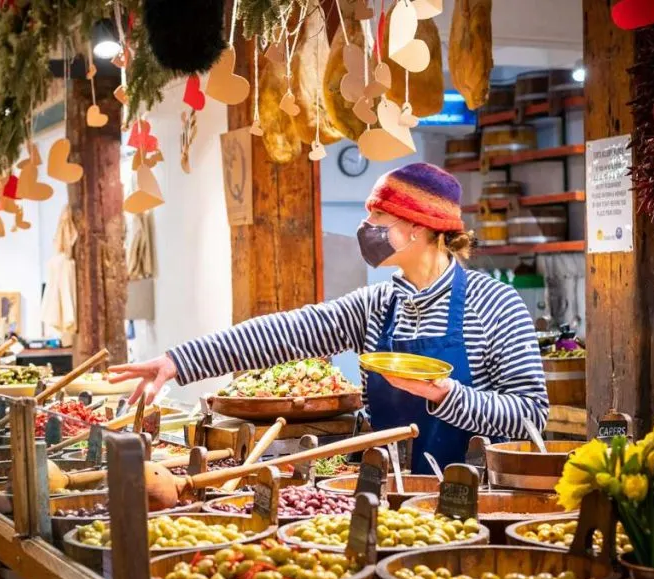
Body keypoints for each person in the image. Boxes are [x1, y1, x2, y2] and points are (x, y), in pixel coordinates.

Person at [110, 163, 549, 473]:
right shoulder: (376, 306)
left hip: (469, 496)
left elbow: (530, 416)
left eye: (378, 215)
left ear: (419, 227)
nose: (366, 225)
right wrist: (177, 361)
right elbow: (282, 333)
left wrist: (445, 394)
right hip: (385, 488)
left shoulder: (497, 305)